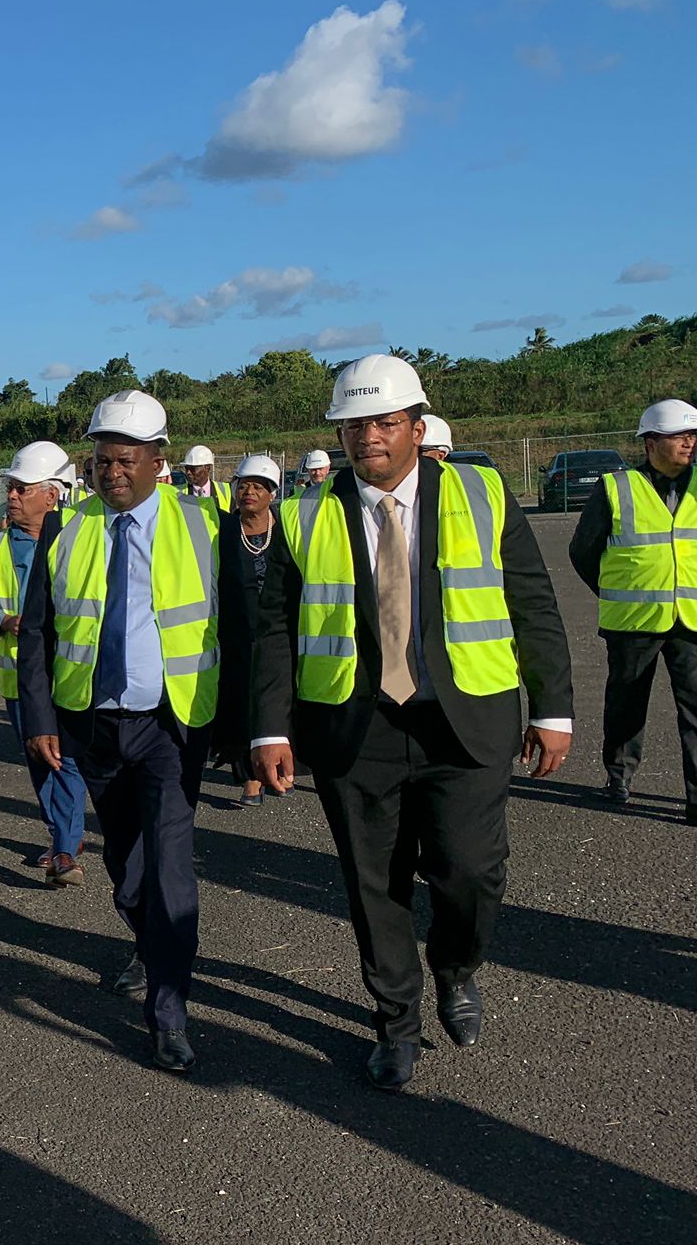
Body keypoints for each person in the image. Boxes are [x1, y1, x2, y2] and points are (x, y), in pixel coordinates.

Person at [252, 355, 572, 1093]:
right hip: (355, 730)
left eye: (385, 421)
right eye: (354, 422)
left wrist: (553, 708)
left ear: (416, 427)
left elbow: (535, 605)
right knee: (375, 886)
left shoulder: (482, 493)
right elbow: (272, 629)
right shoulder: (305, 513)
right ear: (339, 431)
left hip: (465, 723)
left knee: (470, 872)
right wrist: (270, 729)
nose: (369, 435)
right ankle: (396, 1023)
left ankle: (457, 968)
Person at [16, 389, 245, 1073]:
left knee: (172, 869)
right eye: (100, 461)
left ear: (157, 461)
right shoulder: (68, 528)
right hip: (93, 726)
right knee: (125, 866)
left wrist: (245, 731)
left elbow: (238, 630)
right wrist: (39, 718)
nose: (110, 472)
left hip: (171, 727)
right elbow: (38, 632)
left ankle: (169, 1011)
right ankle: (148, 945)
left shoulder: (203, 526)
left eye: (123, 461)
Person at [0, 441, 90, 883]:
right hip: (21, 681)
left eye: (21, 488)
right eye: (10, 488)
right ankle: (62, 839)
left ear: (52, 494)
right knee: (41, 761)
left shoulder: (83, 538)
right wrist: (2, 619)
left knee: (65, 760)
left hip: (73, 675)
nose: (12, 496)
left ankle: (65, 848)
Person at [567, 398, 697, 819]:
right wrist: (617, 592)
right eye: (681, 435)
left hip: (692, 620)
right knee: (626, 705)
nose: (690, 443)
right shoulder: (616, 488)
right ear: (651, 442)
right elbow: (584, 551)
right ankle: (618, 778)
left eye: (693, 435)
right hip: (633, 621)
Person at [224, 454, 283, 806]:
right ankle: (250, 778)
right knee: (242, 701)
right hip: (236, 632)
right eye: (243, 485)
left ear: (272, 494)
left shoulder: (286, 529)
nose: (248, 492)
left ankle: (278, 766)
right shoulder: (223, 530)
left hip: (276, 630)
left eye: (258, 486)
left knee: (275, 699)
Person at [179, 444, 233, 511]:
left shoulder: (227, 491)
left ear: (207, 468)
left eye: (193, 468)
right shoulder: (179, 493)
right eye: (187, 468)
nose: (188, 472)